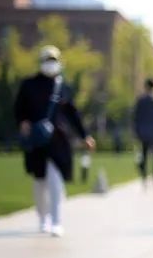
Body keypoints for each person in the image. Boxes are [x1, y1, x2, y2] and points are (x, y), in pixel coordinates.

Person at [14, 45, 95, 237]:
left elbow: (73, 114)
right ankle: (43, 218)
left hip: (58, 141)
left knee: (56, 181)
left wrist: (85, 136)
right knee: (40, 182)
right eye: (47, 60)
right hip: (37, 140)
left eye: (54, 60)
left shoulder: (63, 86)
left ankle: (57, 221)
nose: (51, 64)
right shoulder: (29, 85)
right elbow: (18, 109)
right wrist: (23, 122)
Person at [133, 77, 153, 188]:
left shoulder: (141, 102)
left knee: (144, 155)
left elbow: (136, 118)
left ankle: (144, 177)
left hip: (144, 133)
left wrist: (136, 131)